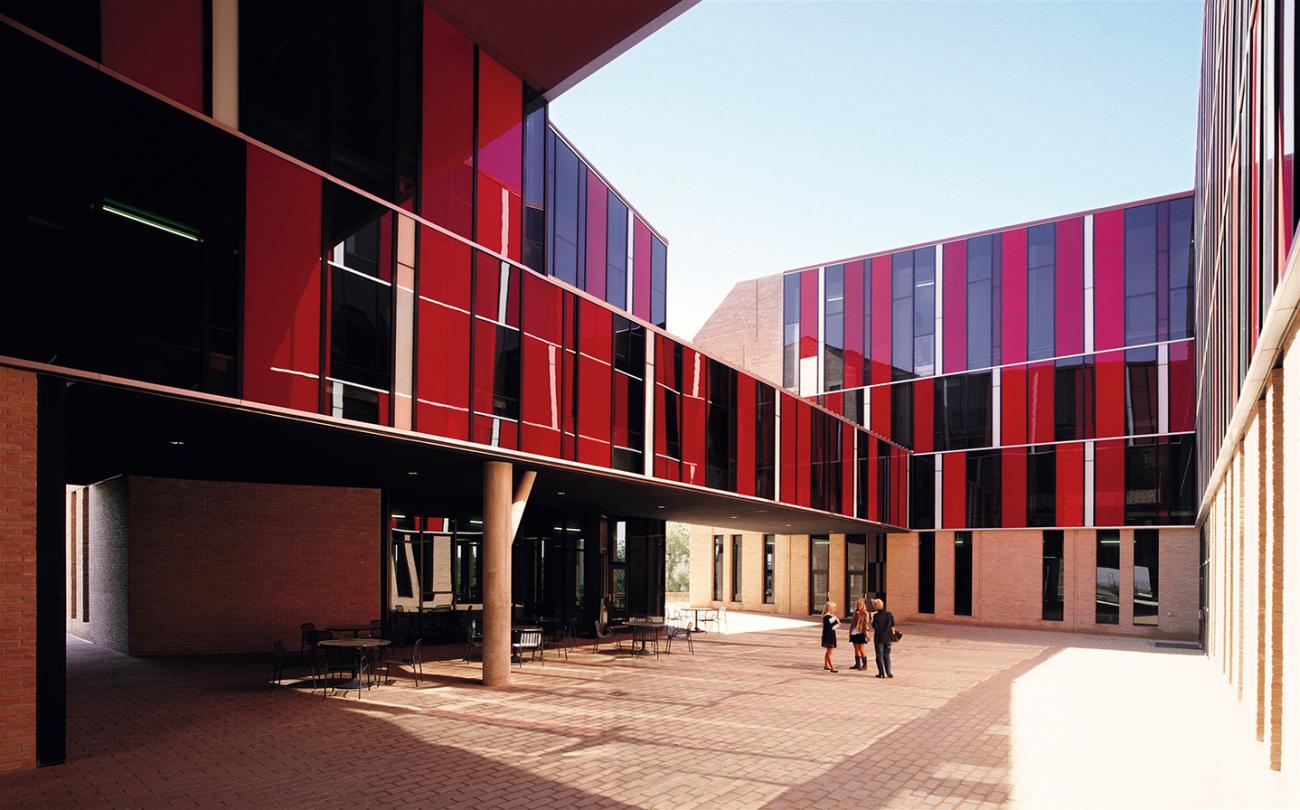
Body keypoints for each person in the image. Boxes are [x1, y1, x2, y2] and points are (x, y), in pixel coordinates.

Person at [869, 598, 894, 678]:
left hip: (879, 637)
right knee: (887, 654)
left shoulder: (876, 616)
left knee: (879, 655)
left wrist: (872, 620)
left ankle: (881, 673)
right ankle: (889, 672)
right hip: (888, 637)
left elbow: (875, 627)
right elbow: (892, 624)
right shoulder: (889, 614)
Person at [848, 598, 870, 672]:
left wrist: (866, 633)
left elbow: (866, 624)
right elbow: (852, 623)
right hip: (854, 632)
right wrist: (850, 632)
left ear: (863, 605)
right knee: (856, 648)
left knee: (861, 648)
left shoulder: (865, 613)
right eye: (857, 605)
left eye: (860, 604)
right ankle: (857, 664)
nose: (859, 606)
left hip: (861, 632)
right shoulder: (855, 612)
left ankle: (865, 664)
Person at [820, 600, 840, 672]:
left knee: (828, 651)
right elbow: (831, 627)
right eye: (834, 608)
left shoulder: (829, 617)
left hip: (829, 635)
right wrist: (837, 622)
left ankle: (826, 665)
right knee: (830, 652)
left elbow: (833, 626)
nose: (835, 609)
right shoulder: (827, 617)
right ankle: (832, 667)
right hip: (829, 636)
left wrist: (837, 623)